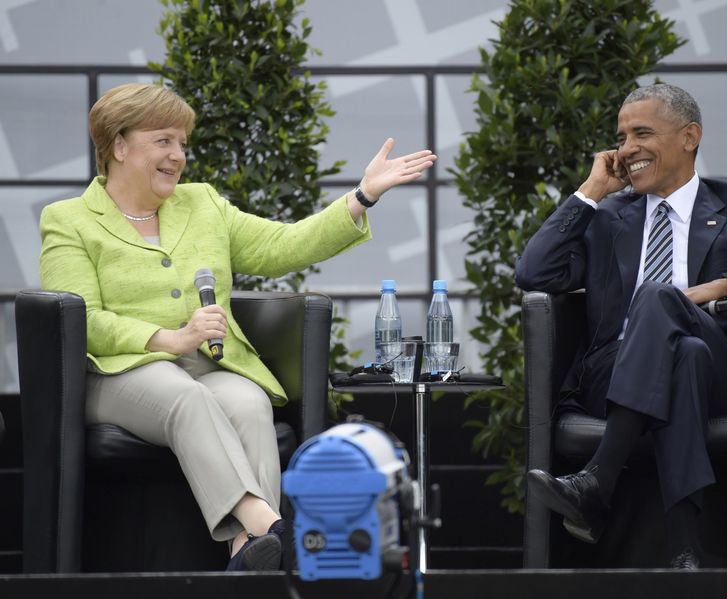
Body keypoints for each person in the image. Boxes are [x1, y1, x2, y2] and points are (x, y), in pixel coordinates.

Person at [38, 82, 436, 571]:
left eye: (182, 143)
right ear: (118, 145)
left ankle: (249, 558)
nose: (178, 155)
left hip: (204, 363)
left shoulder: (202, 203)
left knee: (247, 402)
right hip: (119, 372)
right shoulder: (70, 220)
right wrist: (170, 338)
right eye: (163, 140)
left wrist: (362, 196)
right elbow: (82, 320)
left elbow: (284, 246)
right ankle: (268, 526)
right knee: (187, 396)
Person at [515, 83, 727, 569]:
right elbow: (533, 273)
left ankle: (597, 481)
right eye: (622, 137)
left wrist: (722, 286)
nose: (627, 149)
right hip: (615, 373)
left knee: (662, 306)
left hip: (723, 373)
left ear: (690, 136)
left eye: (642, 133)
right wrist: (590, 191)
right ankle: (686, 549)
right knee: (681, 352)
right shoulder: (608, 218)